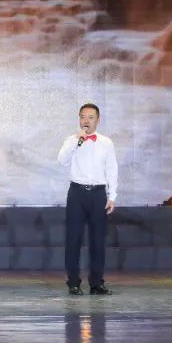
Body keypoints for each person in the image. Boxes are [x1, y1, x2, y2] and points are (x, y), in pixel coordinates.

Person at [56, 103, 117, 295]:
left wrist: (112, 196)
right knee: (73, 239)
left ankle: (96, 283)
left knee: (97, 240)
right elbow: (62, 160)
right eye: (83, 117)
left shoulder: (106, 143)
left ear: (98, 120)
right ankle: (73, 282)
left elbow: (112, 170)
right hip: (77, 193)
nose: (86, 121)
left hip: (98, 194)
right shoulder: (71, 140)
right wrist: (77, 141)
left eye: (91, 117)